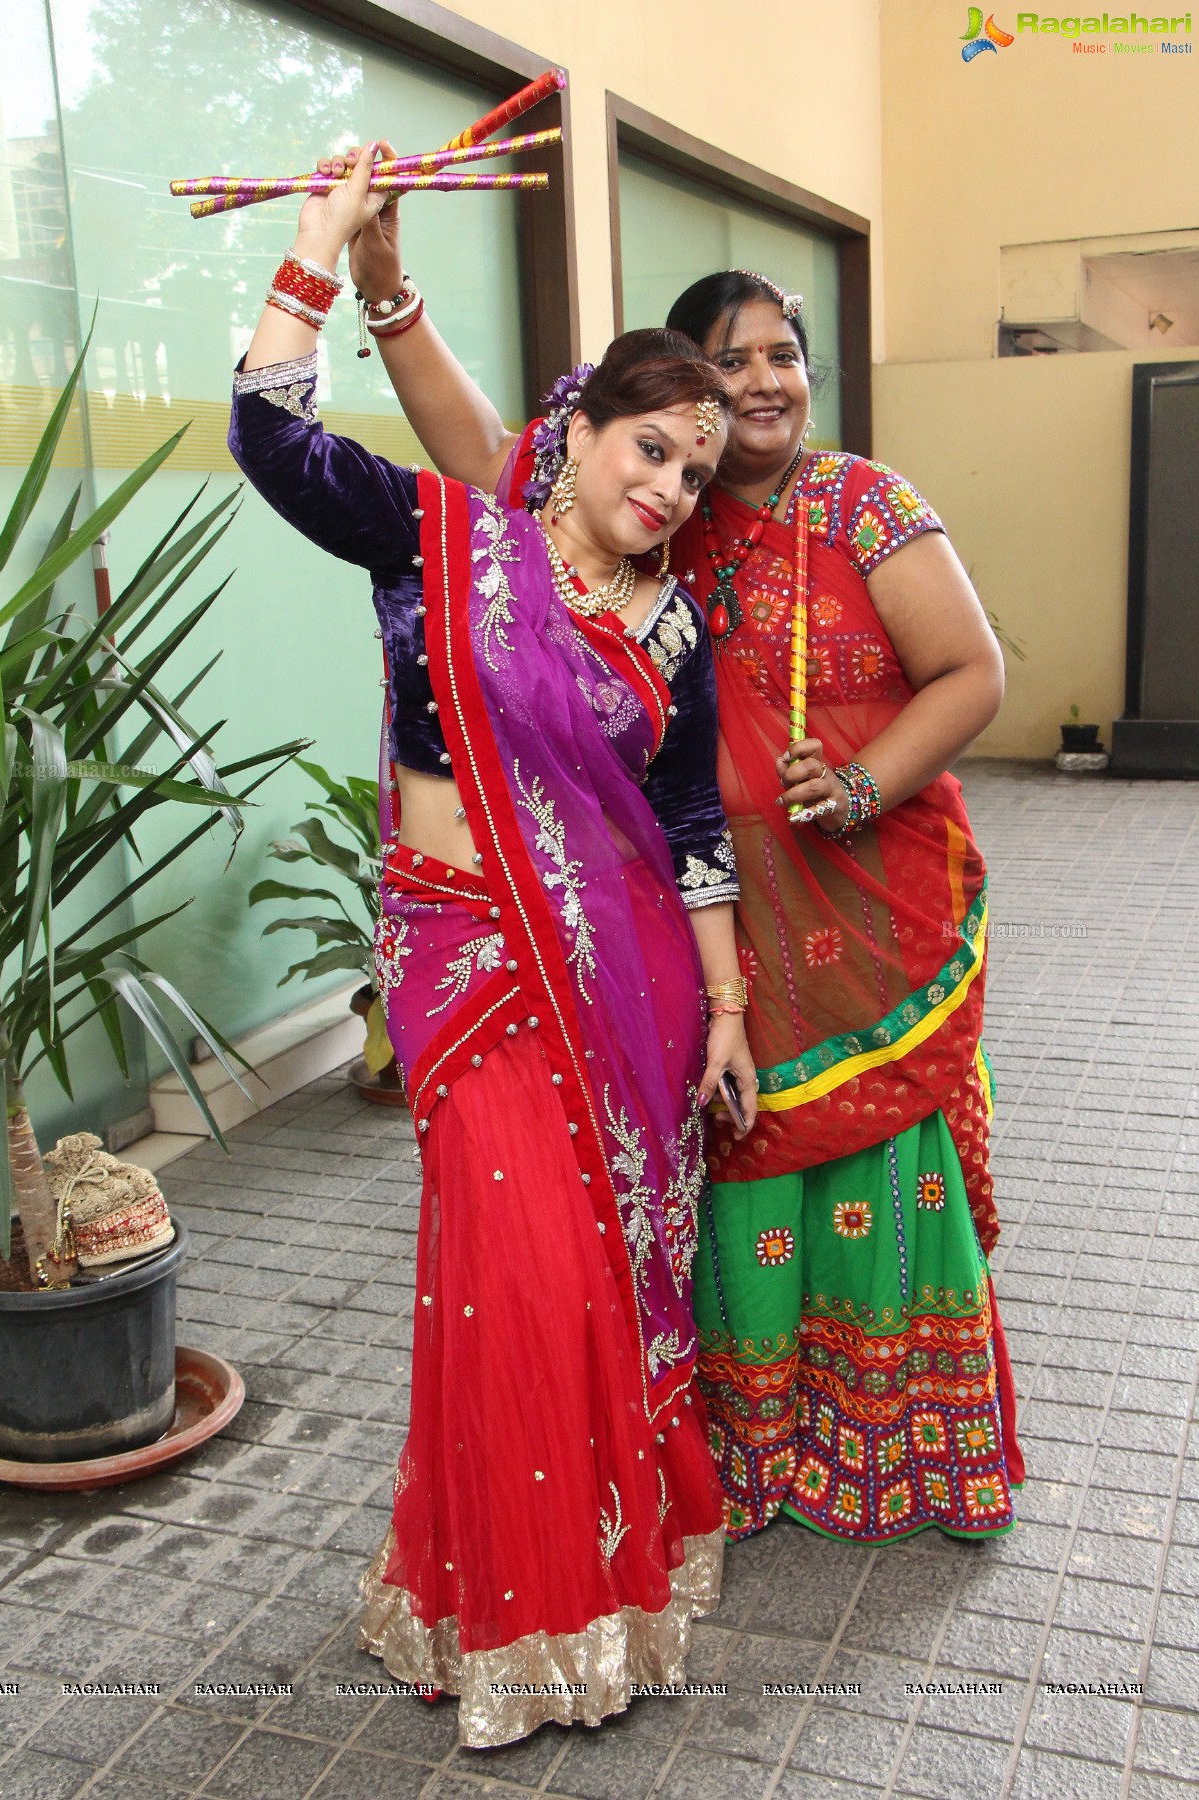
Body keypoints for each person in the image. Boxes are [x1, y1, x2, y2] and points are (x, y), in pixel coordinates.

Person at [333, 158, 1024, 1548]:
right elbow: (476, 455)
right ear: (678, 397)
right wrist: (384, 287)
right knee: (733, 1161)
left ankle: (911, 1446)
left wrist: (866, 783)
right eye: (729, 360)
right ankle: (756, 1451)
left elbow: (973, 673)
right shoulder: (654, 496)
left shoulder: (868, 506)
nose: (762, 381)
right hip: (700, 919)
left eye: (783, 354)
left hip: (860, 910)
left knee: (879, 1159)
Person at [227, 146, 760, 1748]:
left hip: (629, 988)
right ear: (576, 429)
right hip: (466, 964)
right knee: (514, 1279)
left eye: (694, 474)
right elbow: (269, 436)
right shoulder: (452, 541)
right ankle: (519, 1612)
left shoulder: (677, 630)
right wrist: (325, 245)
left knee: (588, 1281)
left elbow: (691, 832)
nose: (667, 489)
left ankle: (599, 1601)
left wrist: (728, 1008)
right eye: (650, 449)